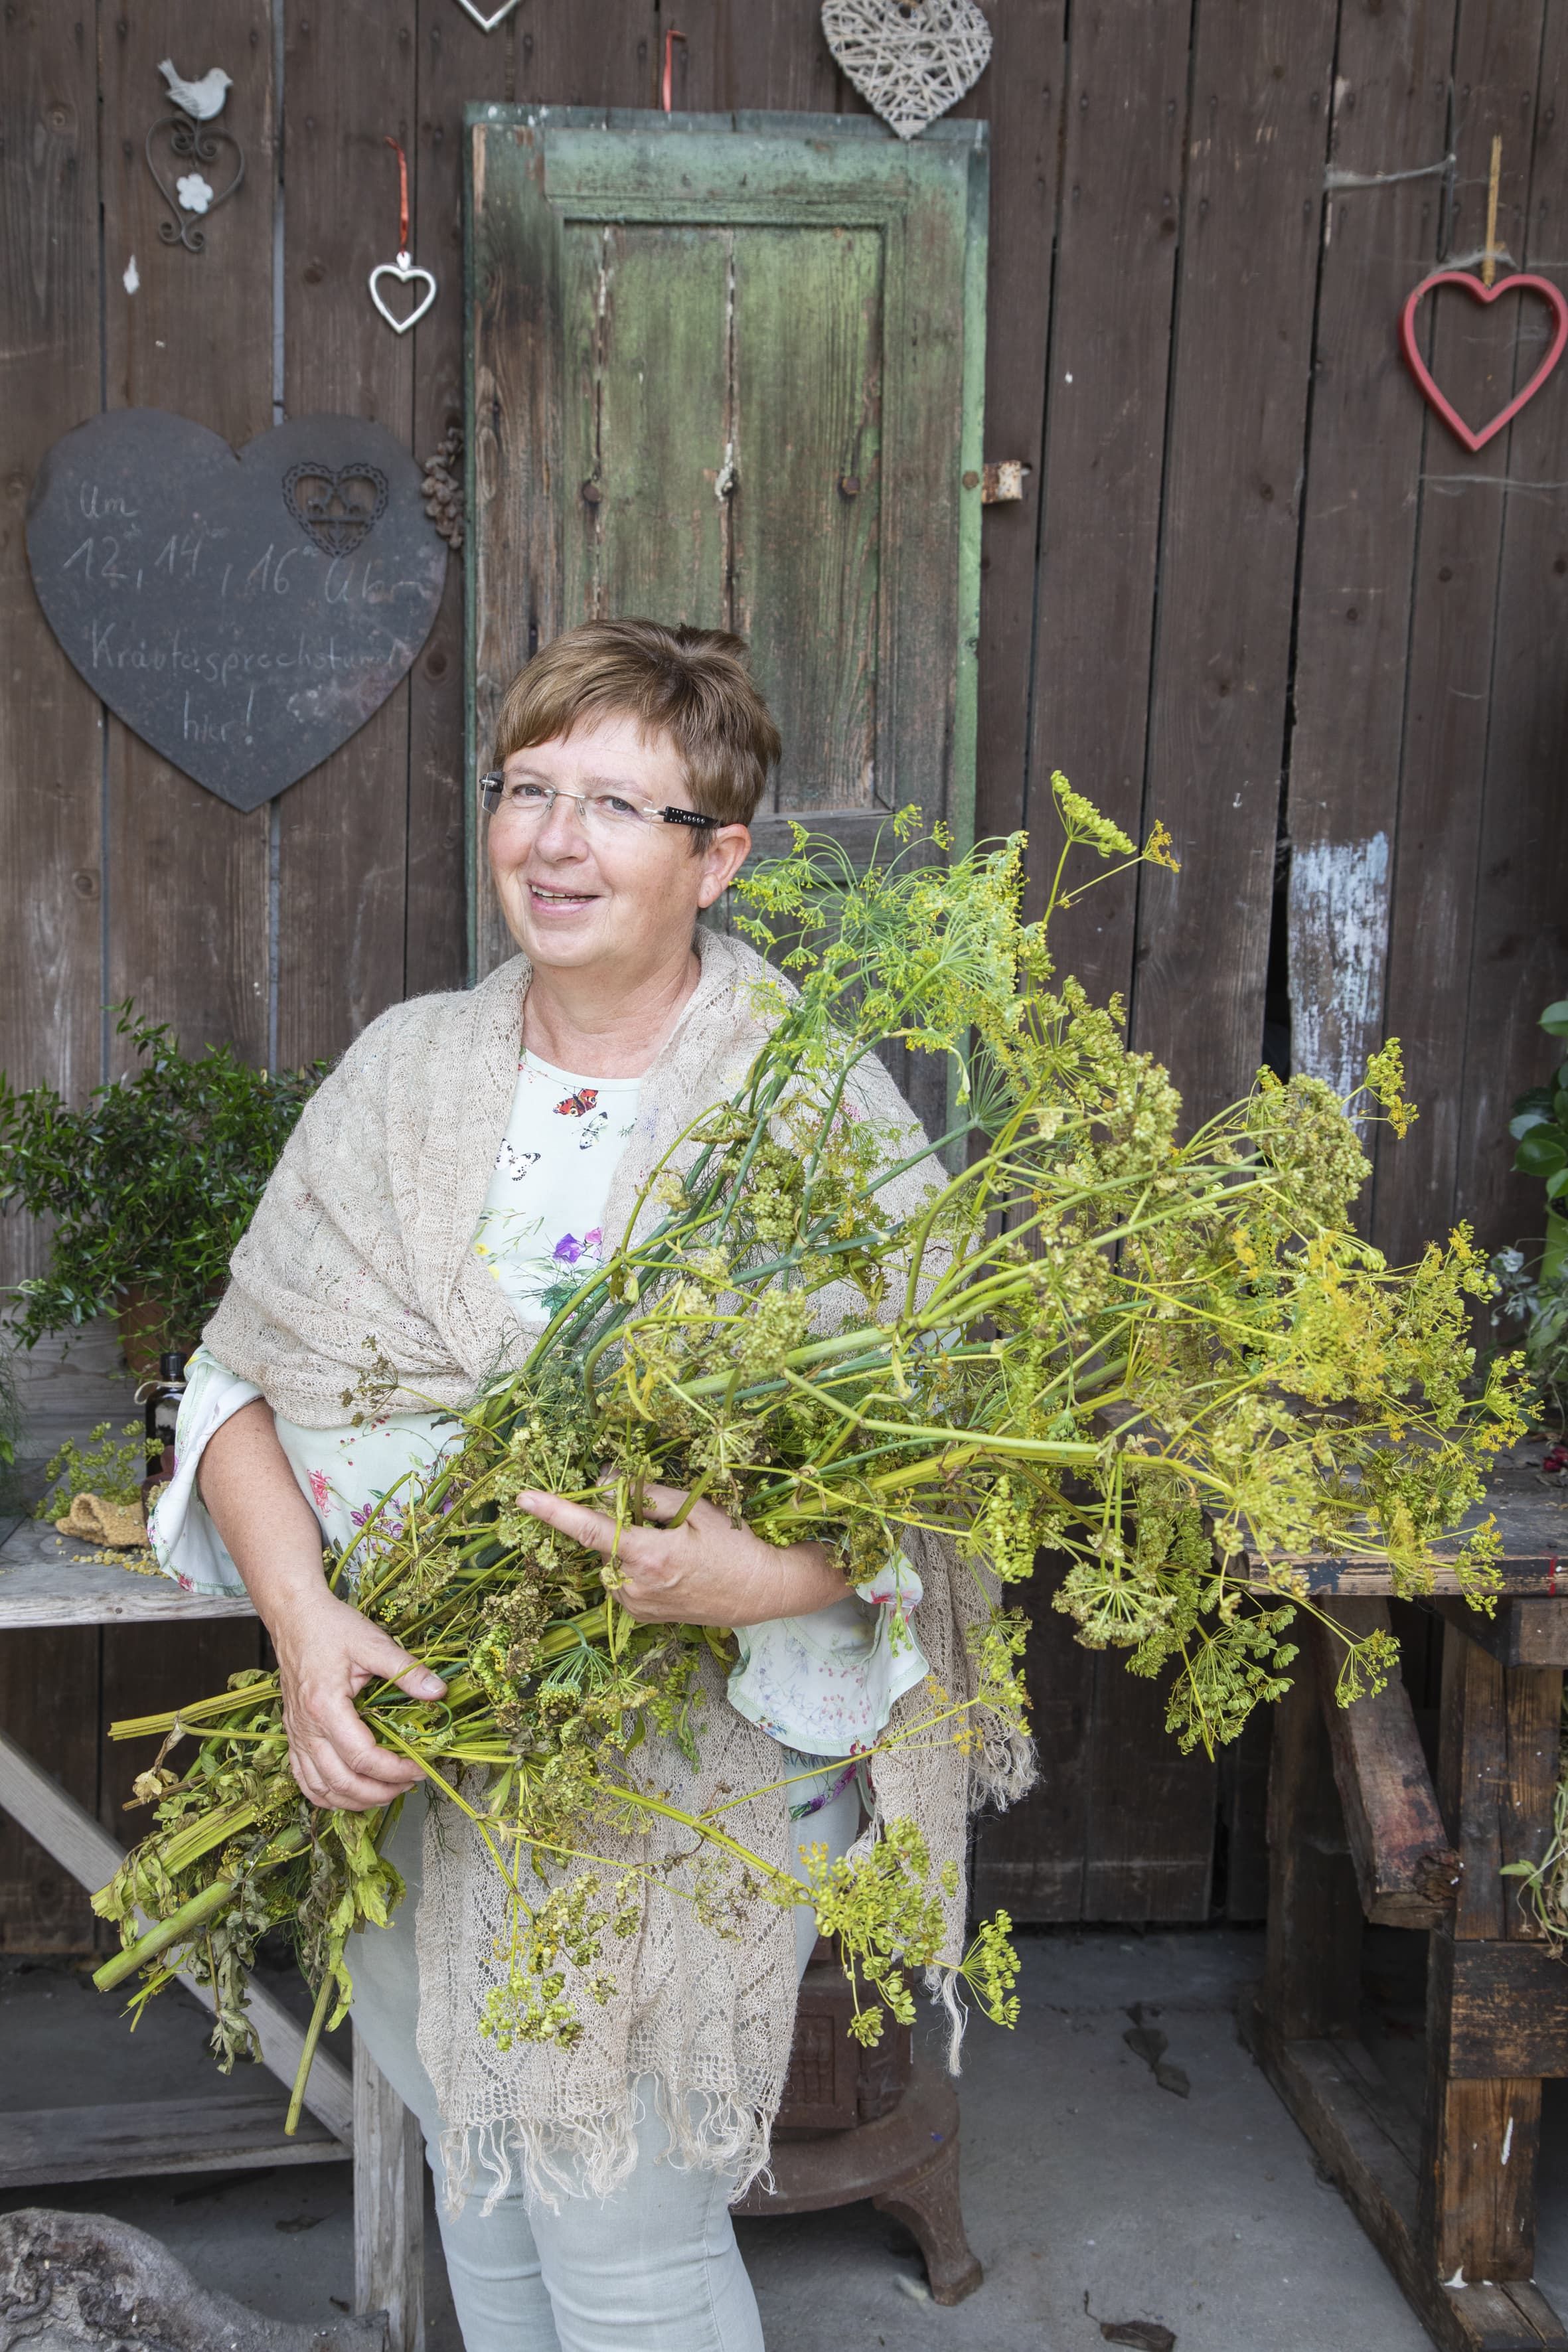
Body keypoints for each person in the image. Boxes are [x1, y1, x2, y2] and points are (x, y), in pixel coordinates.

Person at [151, 619, 1028, 2352]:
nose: (553, 841)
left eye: (615, 805)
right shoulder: (405, 1072)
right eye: (528, 788)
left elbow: (934, 1484)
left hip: (688, 1782)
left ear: (718, 859)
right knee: (484, 2183)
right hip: (425, 1757)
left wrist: (741, 1580)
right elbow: (236, 1384)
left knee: (620, 2242)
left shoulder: (812, 1118)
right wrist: (306, 1627)